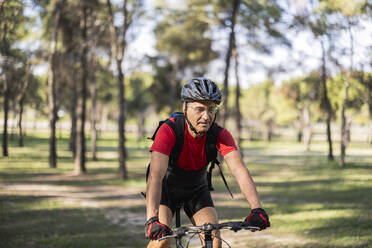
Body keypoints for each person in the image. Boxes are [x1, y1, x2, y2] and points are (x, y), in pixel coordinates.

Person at [145, 78, 270, 248]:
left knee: (214, 241)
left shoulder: (219, 134)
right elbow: (155, 176)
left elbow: (240, 170)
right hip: (166, 189)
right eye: (200, 109)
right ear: (185, 108)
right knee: (163, 240)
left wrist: (257, 209)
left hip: (196, 189)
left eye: (211, 109)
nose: (206, 116)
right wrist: (152, 219)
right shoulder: (169, 130)